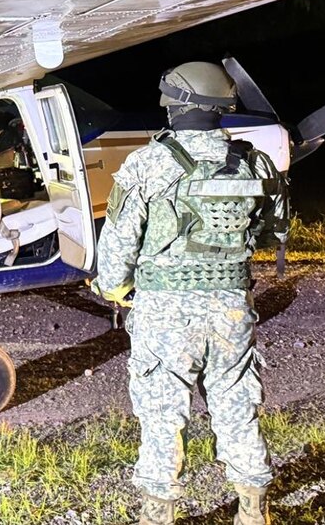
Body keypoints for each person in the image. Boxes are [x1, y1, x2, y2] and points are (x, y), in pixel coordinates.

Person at [91, 61, 289, 525]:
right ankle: (253, 509)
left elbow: (117, 251)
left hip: (164, 313)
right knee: (238, 403)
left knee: (162, 412)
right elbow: (273, 230)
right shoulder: (255, 162)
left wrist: (116, 289)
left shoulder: (148, 163)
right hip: (231, 309)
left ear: (175, 105)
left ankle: (158, 513)